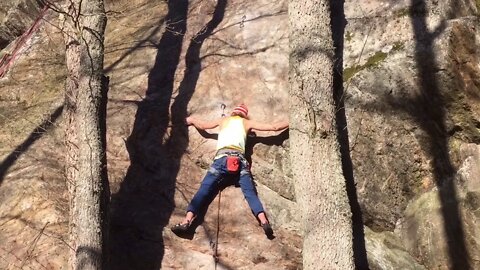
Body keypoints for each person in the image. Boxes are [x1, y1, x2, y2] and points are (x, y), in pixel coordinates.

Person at [171, 104, 288, 239]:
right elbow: (274, 127)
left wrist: (191, 120)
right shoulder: (247, 123)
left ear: (233, 113)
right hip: (240, 162)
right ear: (244, 115)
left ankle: (186, 221)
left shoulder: (223, 120)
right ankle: (264, 221)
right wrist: (292, 121)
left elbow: (204, 127)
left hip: (222, 160)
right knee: (250, 194)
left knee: (204, 190)